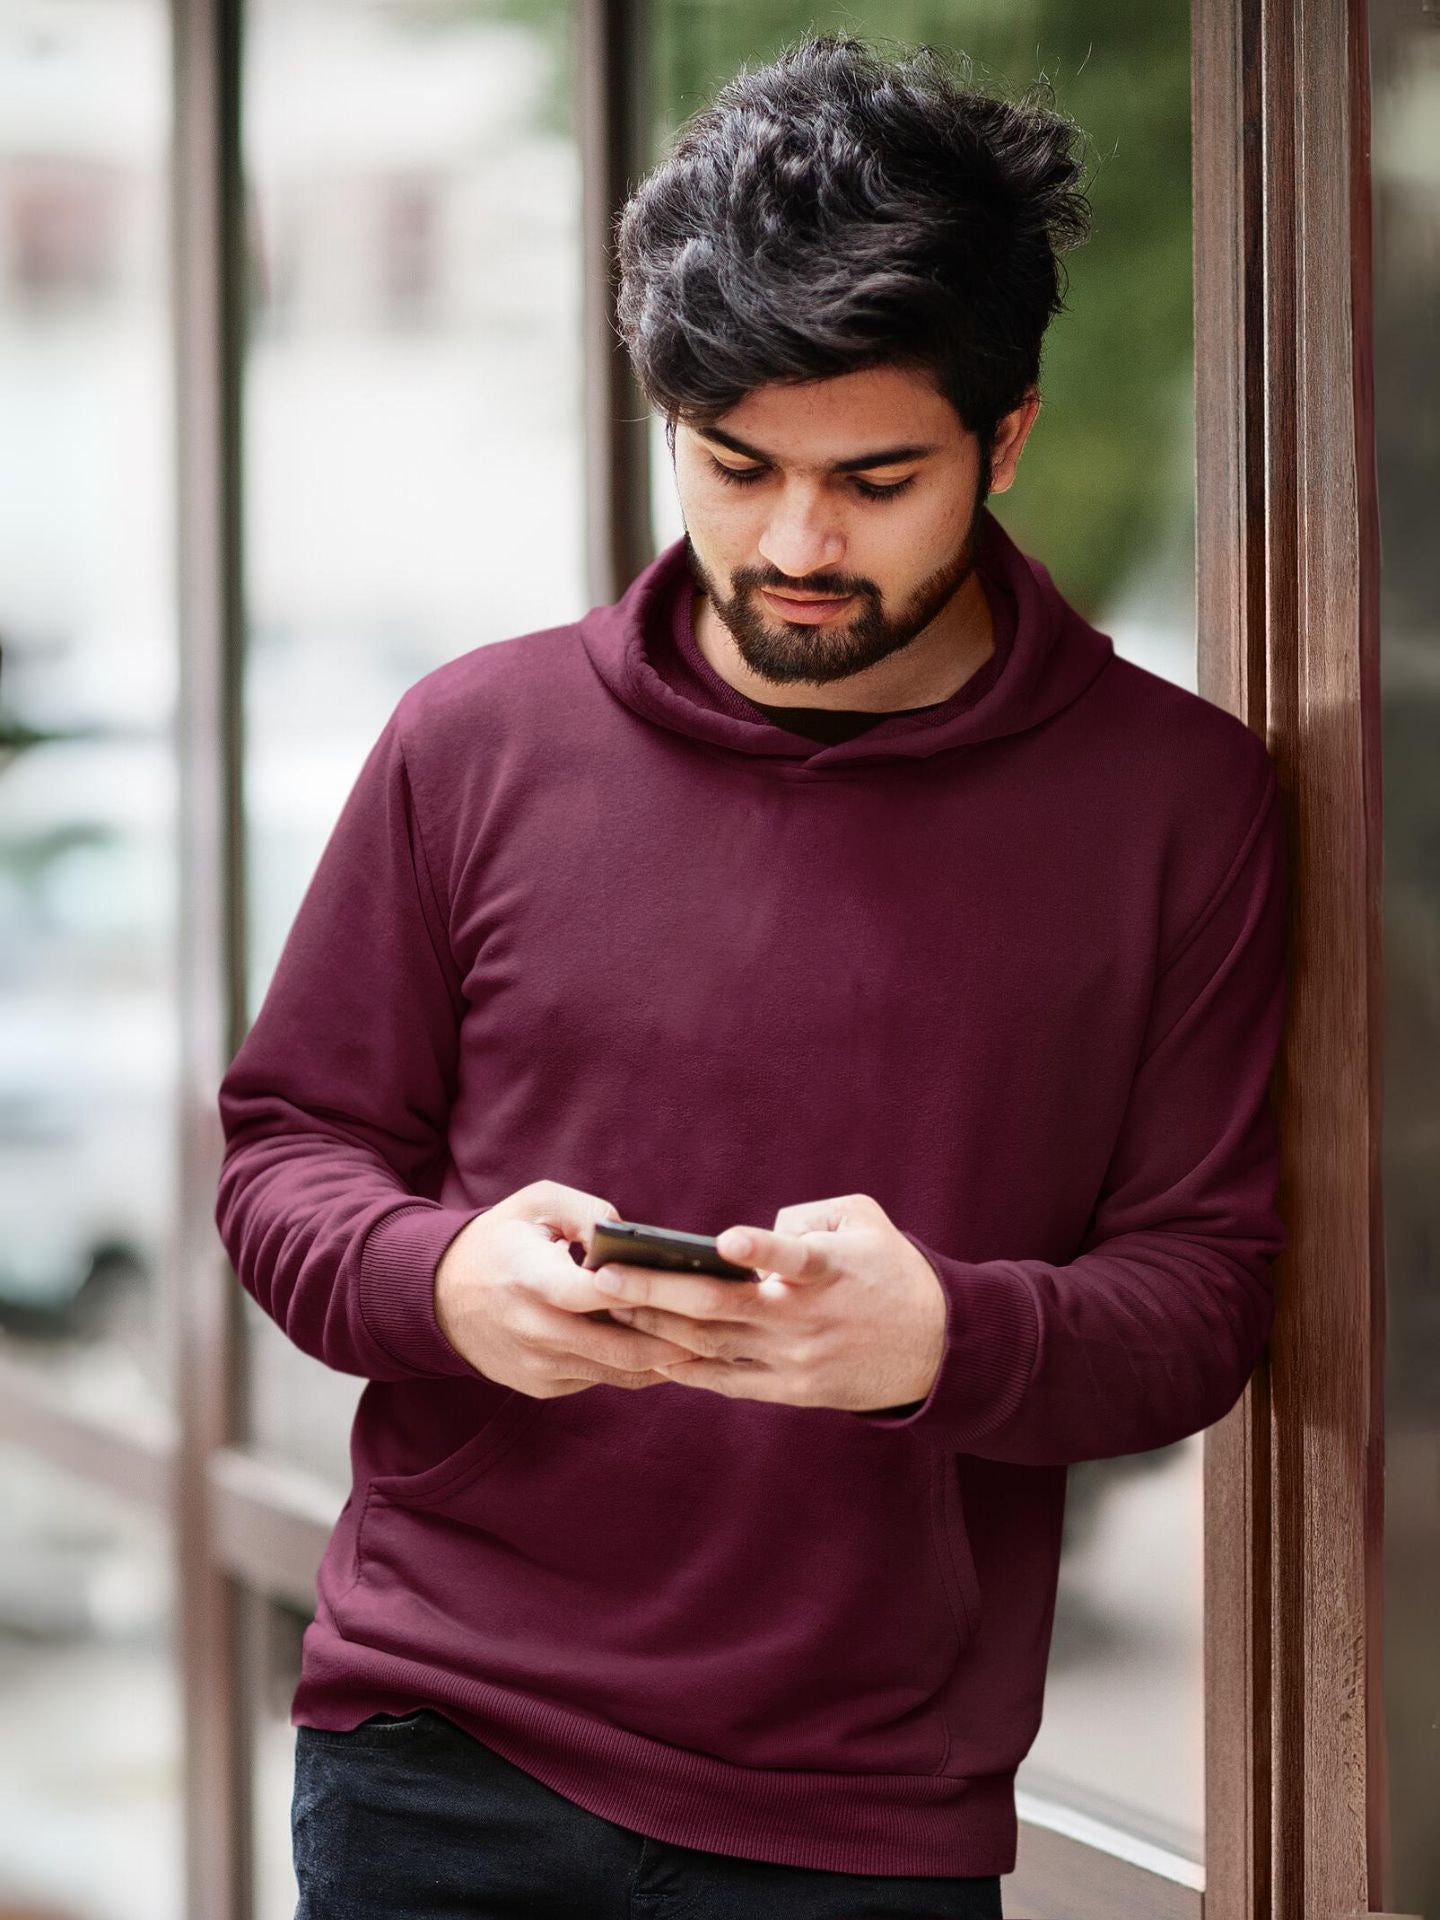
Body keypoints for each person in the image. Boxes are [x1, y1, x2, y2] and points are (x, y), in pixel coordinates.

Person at [214, 32, 1288, 1920]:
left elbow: (1204, 1299)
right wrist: (443, 1278)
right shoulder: (473, 744)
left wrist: (938, 1345)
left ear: (1007, 438)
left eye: (876, 479)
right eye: (737, 466)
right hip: (433, 1762)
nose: (797, 545)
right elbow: (284, 1156)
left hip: (861, 1834)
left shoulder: (1176, 803)